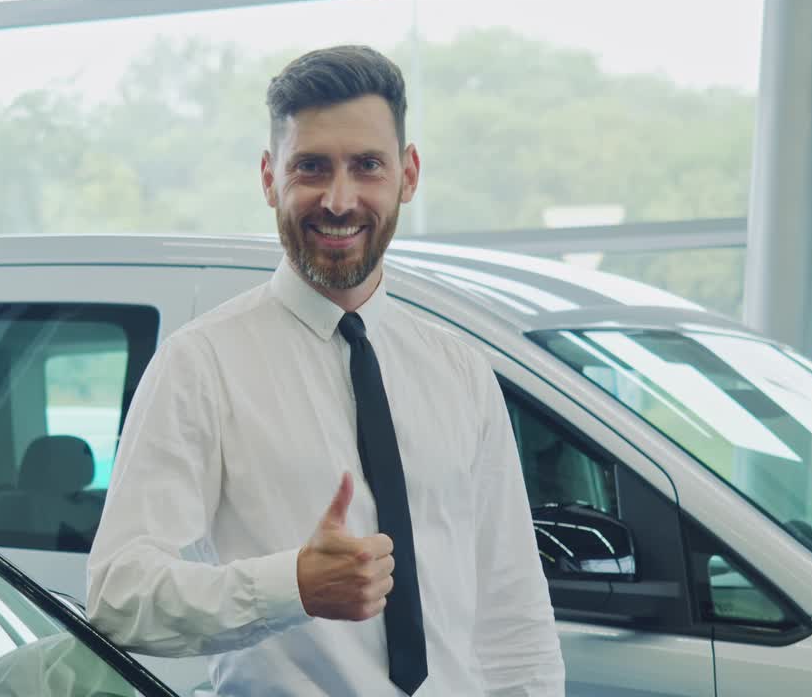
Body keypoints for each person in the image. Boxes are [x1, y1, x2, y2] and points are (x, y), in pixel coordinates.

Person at [86, 44, 564, 696]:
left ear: (408, 173)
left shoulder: (461, 372)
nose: (339, 200)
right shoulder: (201, 364)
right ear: (267, 177)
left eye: (366, 166)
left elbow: (514, 624)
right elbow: (118, 597)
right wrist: (293, 587)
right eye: (311, 167)